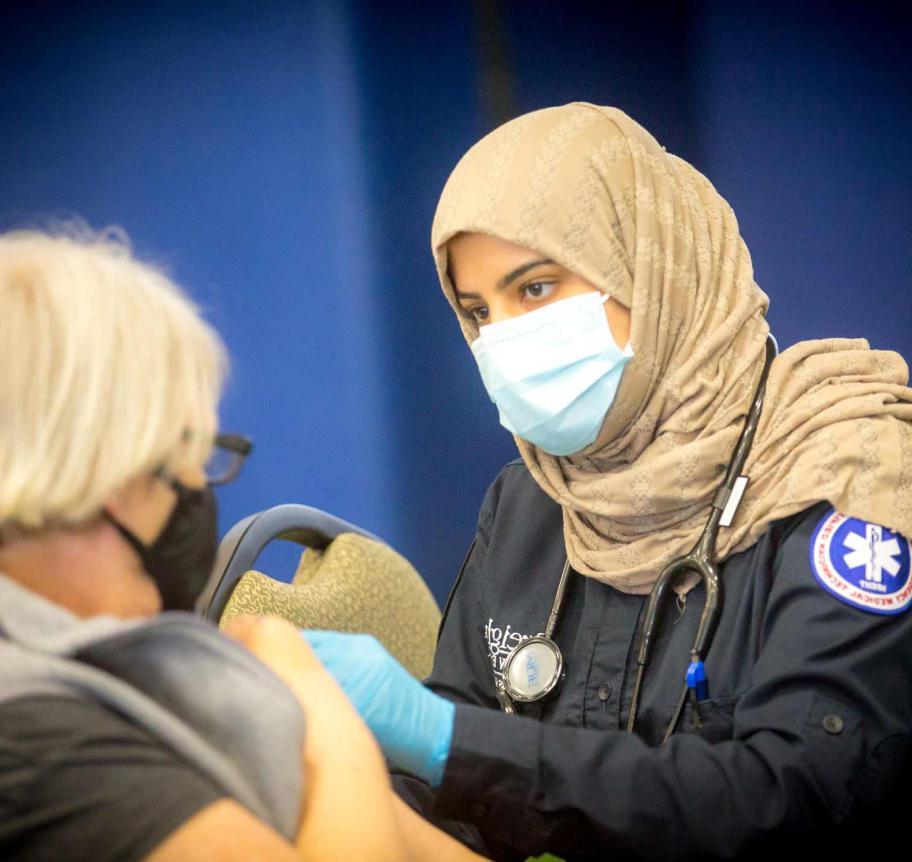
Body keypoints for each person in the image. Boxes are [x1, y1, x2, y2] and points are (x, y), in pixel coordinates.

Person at [303, 103, 912, 860]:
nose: (504, 341)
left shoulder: (847, 473)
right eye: (477, 310)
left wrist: (450, 742)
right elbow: (453, 768)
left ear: (652, 268)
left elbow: (794, 793)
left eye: (534, 289)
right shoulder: (531, 496)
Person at [0, 228, 487, 862]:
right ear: (86, 475)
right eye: (179, 460)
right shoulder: (33, 742)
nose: (196, 494)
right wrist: (320, 715)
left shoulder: (117, 665)